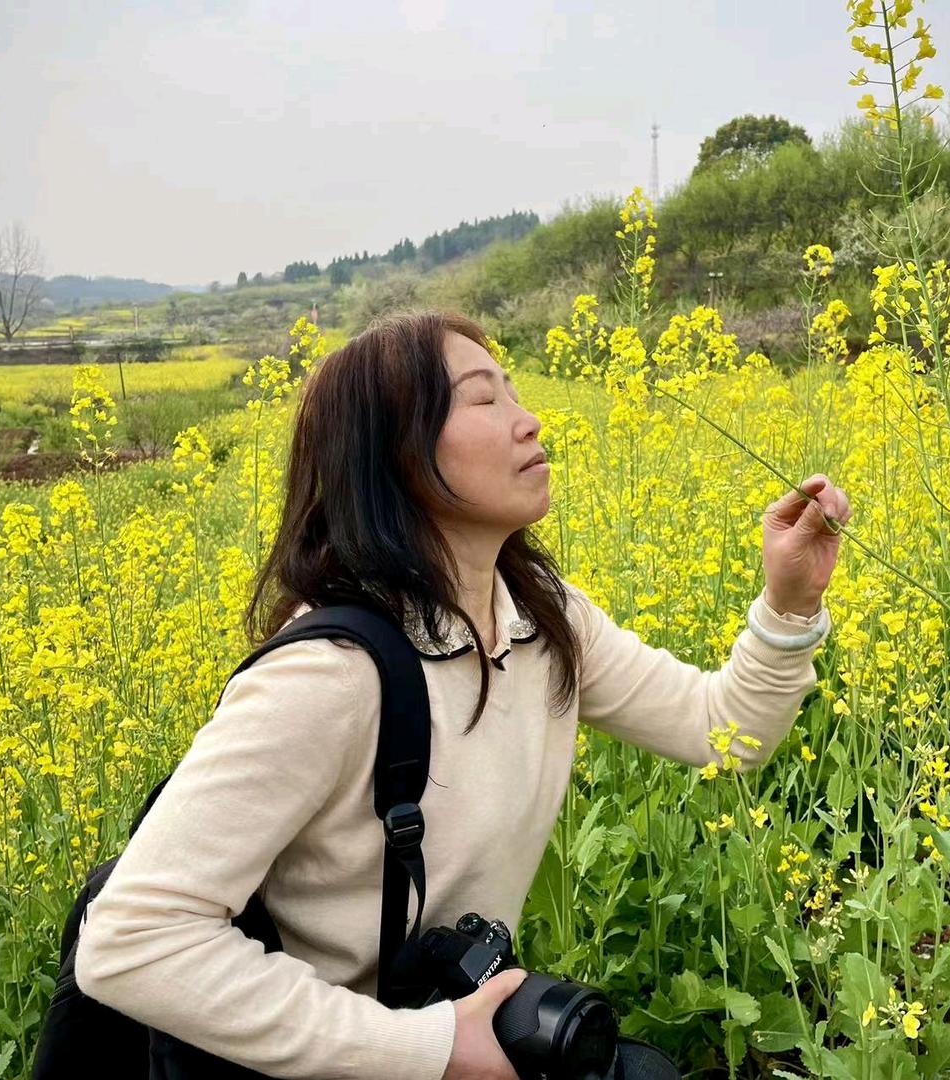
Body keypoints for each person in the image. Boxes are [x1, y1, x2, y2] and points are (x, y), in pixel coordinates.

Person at [74, 310, 852, 1080]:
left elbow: (726, 732)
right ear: (397, 454)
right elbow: (132, 939)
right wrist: (430, 1048)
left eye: (514, 392)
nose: (530, 420)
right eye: (484, 398)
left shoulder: (541, 617)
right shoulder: (329, 675)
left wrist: (790, 604)